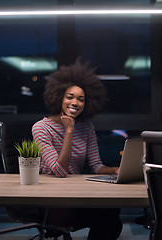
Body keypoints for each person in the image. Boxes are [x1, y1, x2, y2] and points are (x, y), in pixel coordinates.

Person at [32, 58, 123, 239]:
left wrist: (114, 170)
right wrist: (69, 130)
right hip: (52, 201)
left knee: (112, 212)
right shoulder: (41, 128)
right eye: (70, 97)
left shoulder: (86, 126)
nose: (75, 102)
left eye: (81, 99)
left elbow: (96, 164)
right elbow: (59, 170)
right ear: (58, 97)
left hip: (76, 194)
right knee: (108, 218)